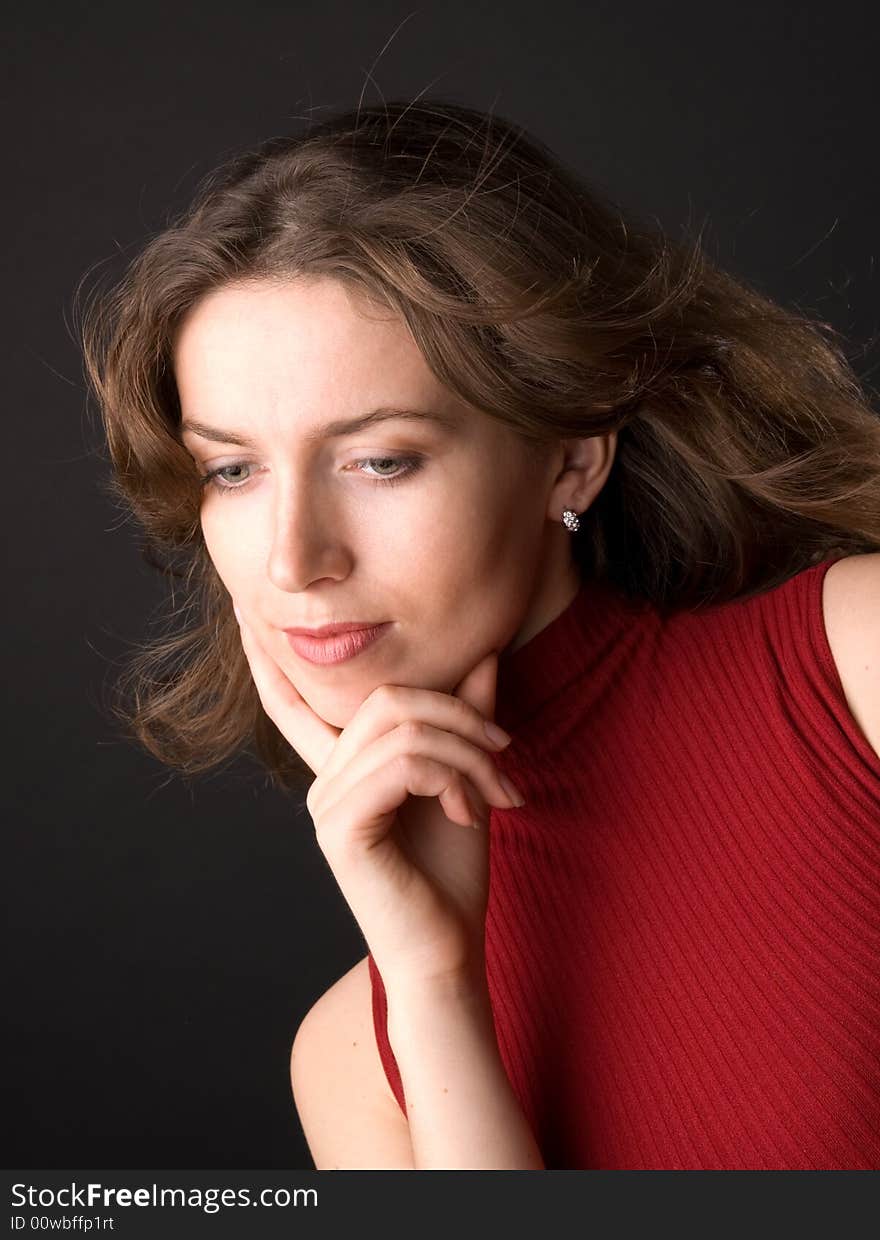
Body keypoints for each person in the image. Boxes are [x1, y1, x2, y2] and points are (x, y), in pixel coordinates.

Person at [78, 99, 880, 1170]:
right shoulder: (352, 1056)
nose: (290, 558)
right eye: (232, 469)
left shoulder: (851, 675)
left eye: (380, 459)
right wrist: (434, 984)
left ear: (569, 456)